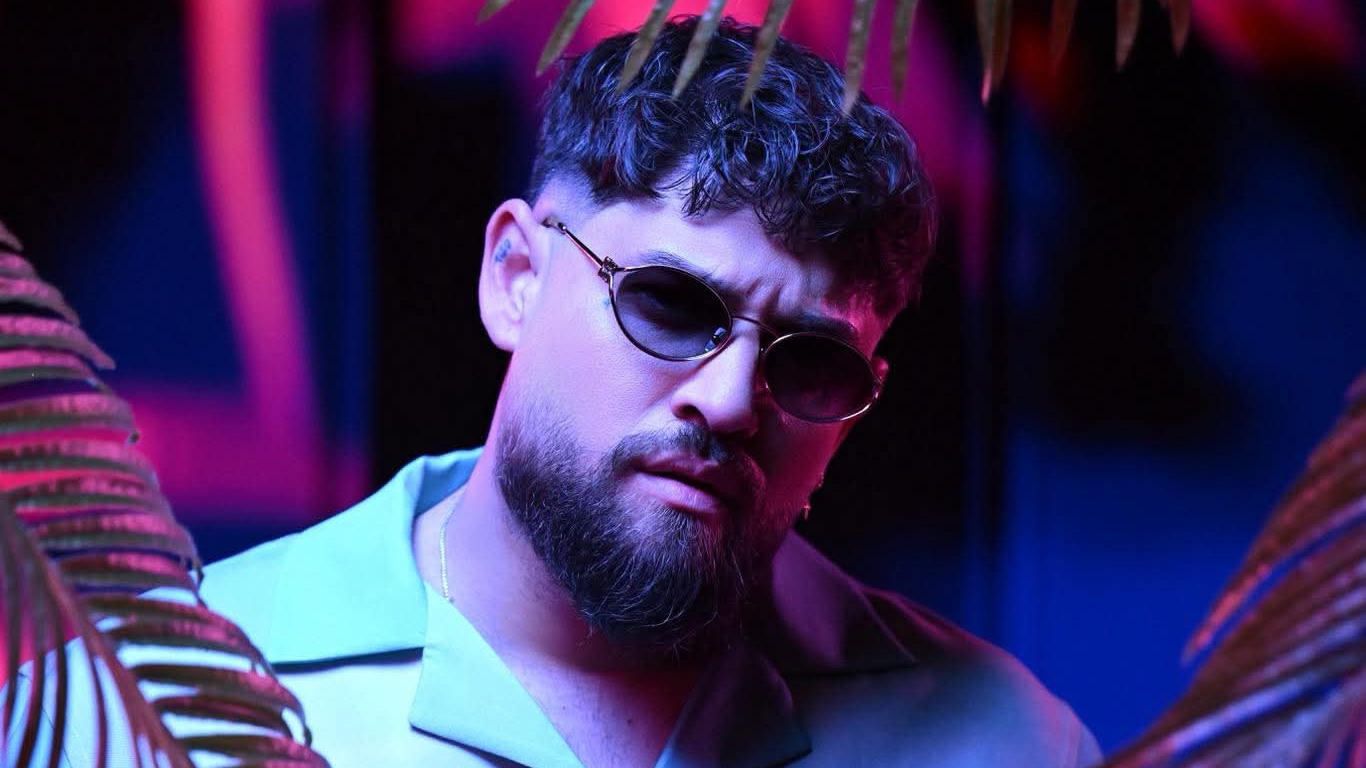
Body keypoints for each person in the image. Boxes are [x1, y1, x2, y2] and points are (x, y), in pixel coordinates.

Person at [18, 16, 1100, 768]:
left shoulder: (1004, 742)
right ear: (515, 277)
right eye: (670, 305)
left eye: (810, 363)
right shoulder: (134, 706)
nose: (731, 401)